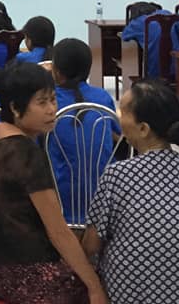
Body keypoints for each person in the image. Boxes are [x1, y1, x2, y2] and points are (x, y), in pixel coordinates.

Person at [0, 63, 106, 304]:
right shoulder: (27, 155)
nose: (52, 109)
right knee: (101, 279)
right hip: (21, 276)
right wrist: (94, 286)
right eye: (42, 103)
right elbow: (58, 232)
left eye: (53, 99)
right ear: (15, 108)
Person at [83, 80, 179, 304]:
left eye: (123, 112)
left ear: (143, 129)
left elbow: (91, 244)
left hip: (127, 296)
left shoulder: (118, 175)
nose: (118, 117)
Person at [48, 39, 119, 226]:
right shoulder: (103, 97)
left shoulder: (48, 101)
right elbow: (118, 136)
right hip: (104, 200)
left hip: (61, 200)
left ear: (56, 71)